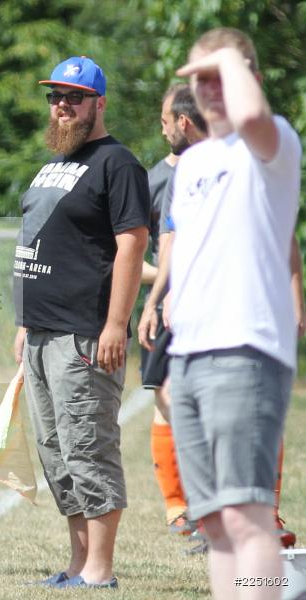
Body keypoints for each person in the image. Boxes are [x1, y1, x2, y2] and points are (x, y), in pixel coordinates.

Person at [166, 28, 301, 600]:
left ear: (250, 78)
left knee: (248, 515)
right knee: (217, 523)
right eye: (201, 79)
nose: (210, 89)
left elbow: (249, 118)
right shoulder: (193, 162)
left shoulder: (272, 143)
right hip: (191, 355)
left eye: (223, 75)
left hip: (245, 349)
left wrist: (225, 57)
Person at [13, 56, 150, 589]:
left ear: (99, 103)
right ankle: (76, 562)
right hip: (42, 330)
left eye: (73, 96)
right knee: (56, 450)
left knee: (88, 445)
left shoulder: (118, 163)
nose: (61, 105)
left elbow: (132, 244)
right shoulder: (53, 163)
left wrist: (116, 324)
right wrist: (25, 320)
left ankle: (100, 569)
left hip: (84, 333)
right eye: (54, 96)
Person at [138, 83, 207, 540]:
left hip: (209, 304)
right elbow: (135, 250)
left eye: (166, 120)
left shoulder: (222, 169)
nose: (163, 130)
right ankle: (177, 505)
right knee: (163, 398)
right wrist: (156, 290)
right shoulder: (153, 179)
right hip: (165, 304)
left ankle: (209, 505)